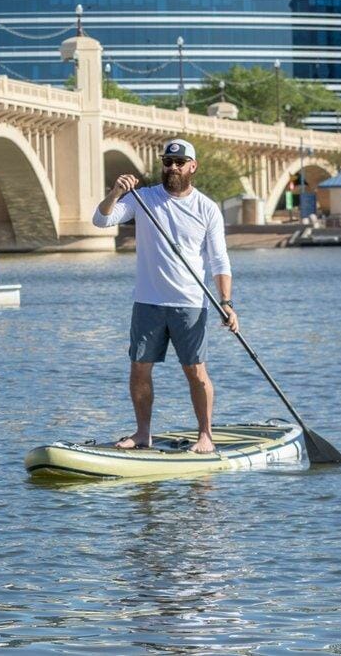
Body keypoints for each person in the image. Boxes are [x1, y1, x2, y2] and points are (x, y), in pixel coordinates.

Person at [92, 138, 238, 454]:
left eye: (179, 163)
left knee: (196, 371)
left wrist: (226, 302)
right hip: (148, 302)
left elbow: (219, 261)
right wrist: (116, 192)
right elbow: (101, 220)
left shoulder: (207, 208)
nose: (172, 168)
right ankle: (143, 433)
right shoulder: (143, 199)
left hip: (190, 304)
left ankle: (205, 435)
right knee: (139, 369)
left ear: (192, 167)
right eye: (167, 162)